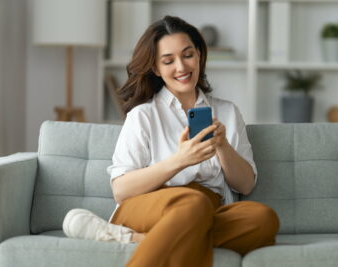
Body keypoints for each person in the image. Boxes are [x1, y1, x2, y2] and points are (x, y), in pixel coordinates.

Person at [63, 15, 279, 267]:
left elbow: (246, 185)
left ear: (199, 55)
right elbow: (121, 190)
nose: (181, 67)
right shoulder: (143, 116)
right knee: (192, 203)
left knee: (263, 219)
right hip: (150, 206)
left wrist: (222, 146)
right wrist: (179, 161)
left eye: (188, 55)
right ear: (156, 68)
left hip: (209, 209)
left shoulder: (228, 113)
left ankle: (136, 239)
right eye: (168, 60)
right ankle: (160, 232)